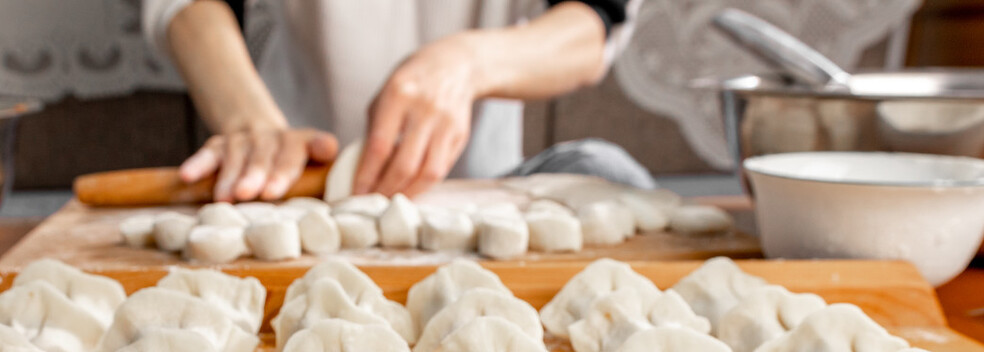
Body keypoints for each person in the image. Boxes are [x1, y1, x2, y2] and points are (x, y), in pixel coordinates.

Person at [143, 0, 640, 202]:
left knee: (609, 172)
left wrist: (470, 63)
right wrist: (249, 120)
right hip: (288, 190)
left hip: (478, 194)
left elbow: (594, 20)